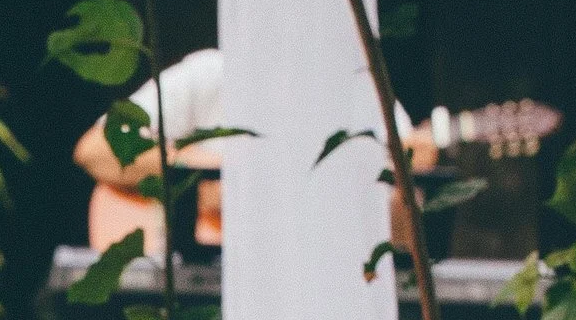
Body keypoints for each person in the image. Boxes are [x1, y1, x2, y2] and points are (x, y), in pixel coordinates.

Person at [74, 47, 441, 262]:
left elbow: (399, 248)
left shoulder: (365, 97)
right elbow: (96, 149)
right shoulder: (214, 73)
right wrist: (203, 180)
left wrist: (410, 186)